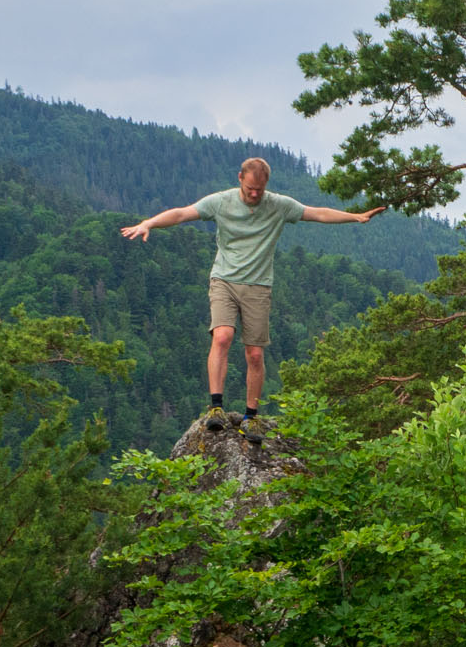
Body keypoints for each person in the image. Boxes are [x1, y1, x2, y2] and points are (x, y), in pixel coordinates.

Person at [120, 157, 385, 441]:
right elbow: (182, 214)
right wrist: (149, 223)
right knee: (222, 337)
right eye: (250, 189)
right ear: (239, 179)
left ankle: (251, 417)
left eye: (259, 189)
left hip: (258, 286)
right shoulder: (221, 202)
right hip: (224, 279)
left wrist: (354, 217)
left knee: (254, 353)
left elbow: (316, 213)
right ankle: (216, 408)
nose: (255, 194)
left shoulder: (278, 205)